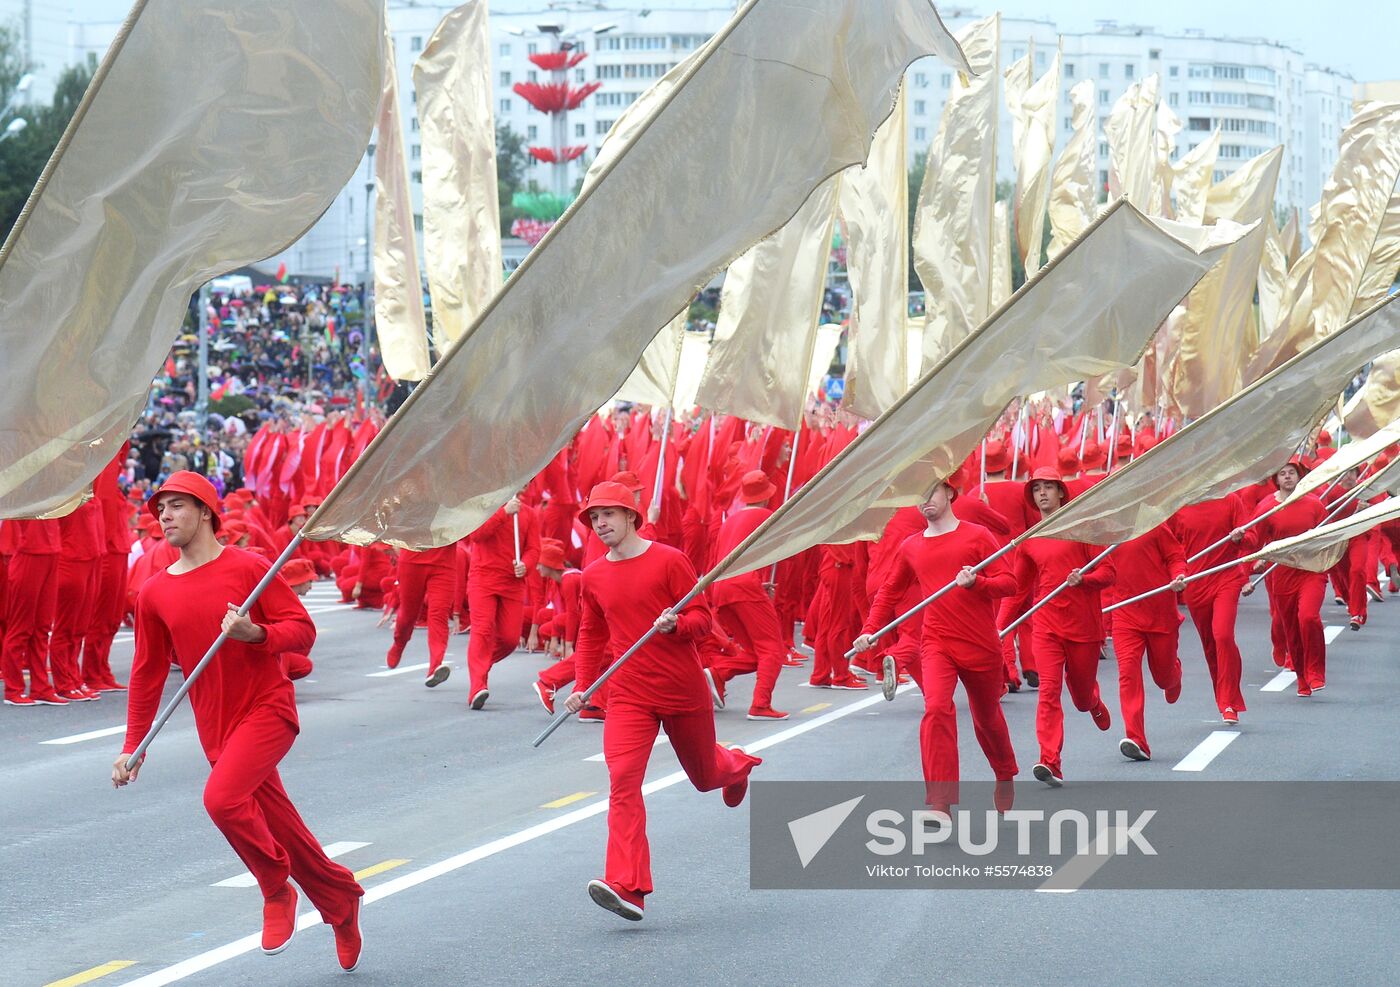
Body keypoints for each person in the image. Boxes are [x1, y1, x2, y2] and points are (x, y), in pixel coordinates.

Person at [112, 472, 363, 971]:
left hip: (267, 709)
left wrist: (257, 634)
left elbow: (302, 631)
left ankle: (275, 889)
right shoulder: (154, 593)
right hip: (216, 726)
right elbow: (146, 674)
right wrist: (133, 745)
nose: (165, 516)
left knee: (222, 800)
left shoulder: (250, 568)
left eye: (177, 506)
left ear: (206, 511)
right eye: (161, 508)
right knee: (282, 828)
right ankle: (340, 899)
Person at [562, 481, 761, 922]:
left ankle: (736, 764)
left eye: (608, 514)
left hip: (681, 689)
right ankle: (628, 886)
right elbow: (591, 633)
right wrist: (584, 686)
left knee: (705, 777)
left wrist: (677, 626)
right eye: (594, 517)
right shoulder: (593, 575)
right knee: (622, 781)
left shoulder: (670, 560)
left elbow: (703, 618)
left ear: (631, 516)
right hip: (629, 696)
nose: (600, 523)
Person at [853, 474, 1018, 812]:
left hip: (980, 643)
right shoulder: (911, 546)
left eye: (932, 491)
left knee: (987, 718)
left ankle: (1004, 773)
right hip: (936, 642)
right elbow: (889, 592)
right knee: (936, 709)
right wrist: (870, 630)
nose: (925, 499)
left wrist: (977, 584)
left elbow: (1009, 583)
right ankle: (939, 803)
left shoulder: (978, 536)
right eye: (919, 494)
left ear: (949, 492)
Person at [1014, 468, 1115, 787]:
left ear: (1061, 492)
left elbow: (1109, 573)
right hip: (1046, 625)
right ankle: (1050, 761)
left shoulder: (1083, 529)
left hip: (1084, 627)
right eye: (1037, 489)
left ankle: (1093, 701)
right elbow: (1017, 589)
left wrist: (1084, 579)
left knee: (1081, 698)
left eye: (1048, 487)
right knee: (1048, 691)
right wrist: (998, 628)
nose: (1042, 493)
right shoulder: (1029, 540)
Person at [1231, 459, 1328, 695]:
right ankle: (1302, 678)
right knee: (1291, 629)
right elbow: (1254, 540)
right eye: (1282, 473)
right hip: (1282, 574)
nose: (1287, 477)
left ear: (1299, 476)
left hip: (1311, 571)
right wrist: (1240, 539)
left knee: (1308, 617)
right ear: (1276, 479)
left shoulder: (1314, 505)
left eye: (1291, 472)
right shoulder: (1267, 507)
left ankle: (1315, 672)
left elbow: (1329, 535)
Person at [703, 470, 791, 721]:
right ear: (766, 496)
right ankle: (761, 704)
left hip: (722, 589)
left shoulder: (729, 520)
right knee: (772, 649)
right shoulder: (766, 516)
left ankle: (719, 672)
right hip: (745, 587)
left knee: (754, 653)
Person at [1102, 525, 1187, 760]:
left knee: (1163, 677)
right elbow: (1100, 570)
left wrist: (1178, 575)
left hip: (1160, 612)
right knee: (1128, 673)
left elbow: (1175, 557)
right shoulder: (1108, 530)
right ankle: (1136, 738)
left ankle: (1174, 674)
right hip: (1125, 613)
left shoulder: (1154, 525)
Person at [465, 492, 538, 710]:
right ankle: (477, 685)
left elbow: (534, 548)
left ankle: (480, 668)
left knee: (509, 639)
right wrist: (503, 512)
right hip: (483, 578)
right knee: (482, 630)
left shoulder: (529, 514)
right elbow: (476, 535)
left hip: (512, 582)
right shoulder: (485, 506)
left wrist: (526, 565)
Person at [386, 542, 461, 689]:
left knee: (439, 615)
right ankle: (399, 644)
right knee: (408, 615)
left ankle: (435, 666)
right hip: (413, 560)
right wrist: (394, 541)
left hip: (444, 562)